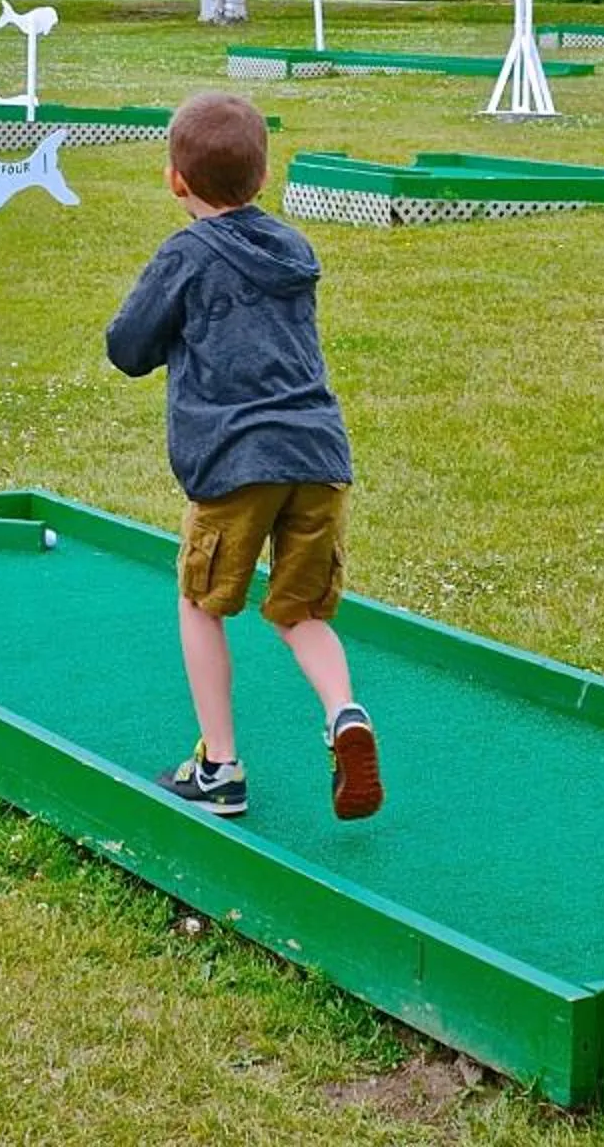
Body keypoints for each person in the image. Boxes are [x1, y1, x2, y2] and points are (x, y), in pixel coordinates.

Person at [105, 90, 381, 823]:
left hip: (235, 460)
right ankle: (343, 713)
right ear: (263, 179)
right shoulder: (294, 248)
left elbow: (126, 347)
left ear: (175, 180)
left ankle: (220, 767)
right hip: (320, 455)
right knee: (300, 611)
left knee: (202, 602)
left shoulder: (185, 254)